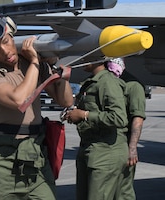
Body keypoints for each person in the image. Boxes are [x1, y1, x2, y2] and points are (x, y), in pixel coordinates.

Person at [0, 13, 73, 199]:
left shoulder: (32, 65)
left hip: (36, 153)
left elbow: (65, 101)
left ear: (12, 36)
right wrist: (34, 62)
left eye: (6, 41)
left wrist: (60, 72)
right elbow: (19, 100)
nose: (6, 51)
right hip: (3, 161)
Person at [63, 56, 129, 200]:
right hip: (90, 148)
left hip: (105, 152)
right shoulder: (90, 83)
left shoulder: (107, 82)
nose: (82, 61)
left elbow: (119, 118)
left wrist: (85, 115)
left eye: (85, 58)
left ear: (99, 59)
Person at [107, 58, 146, 200]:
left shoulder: (132, 85)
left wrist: (132, 147)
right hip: (106, 147)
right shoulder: (107, 82)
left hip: (123, 146)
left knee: (123, 192)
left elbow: (138, 118)